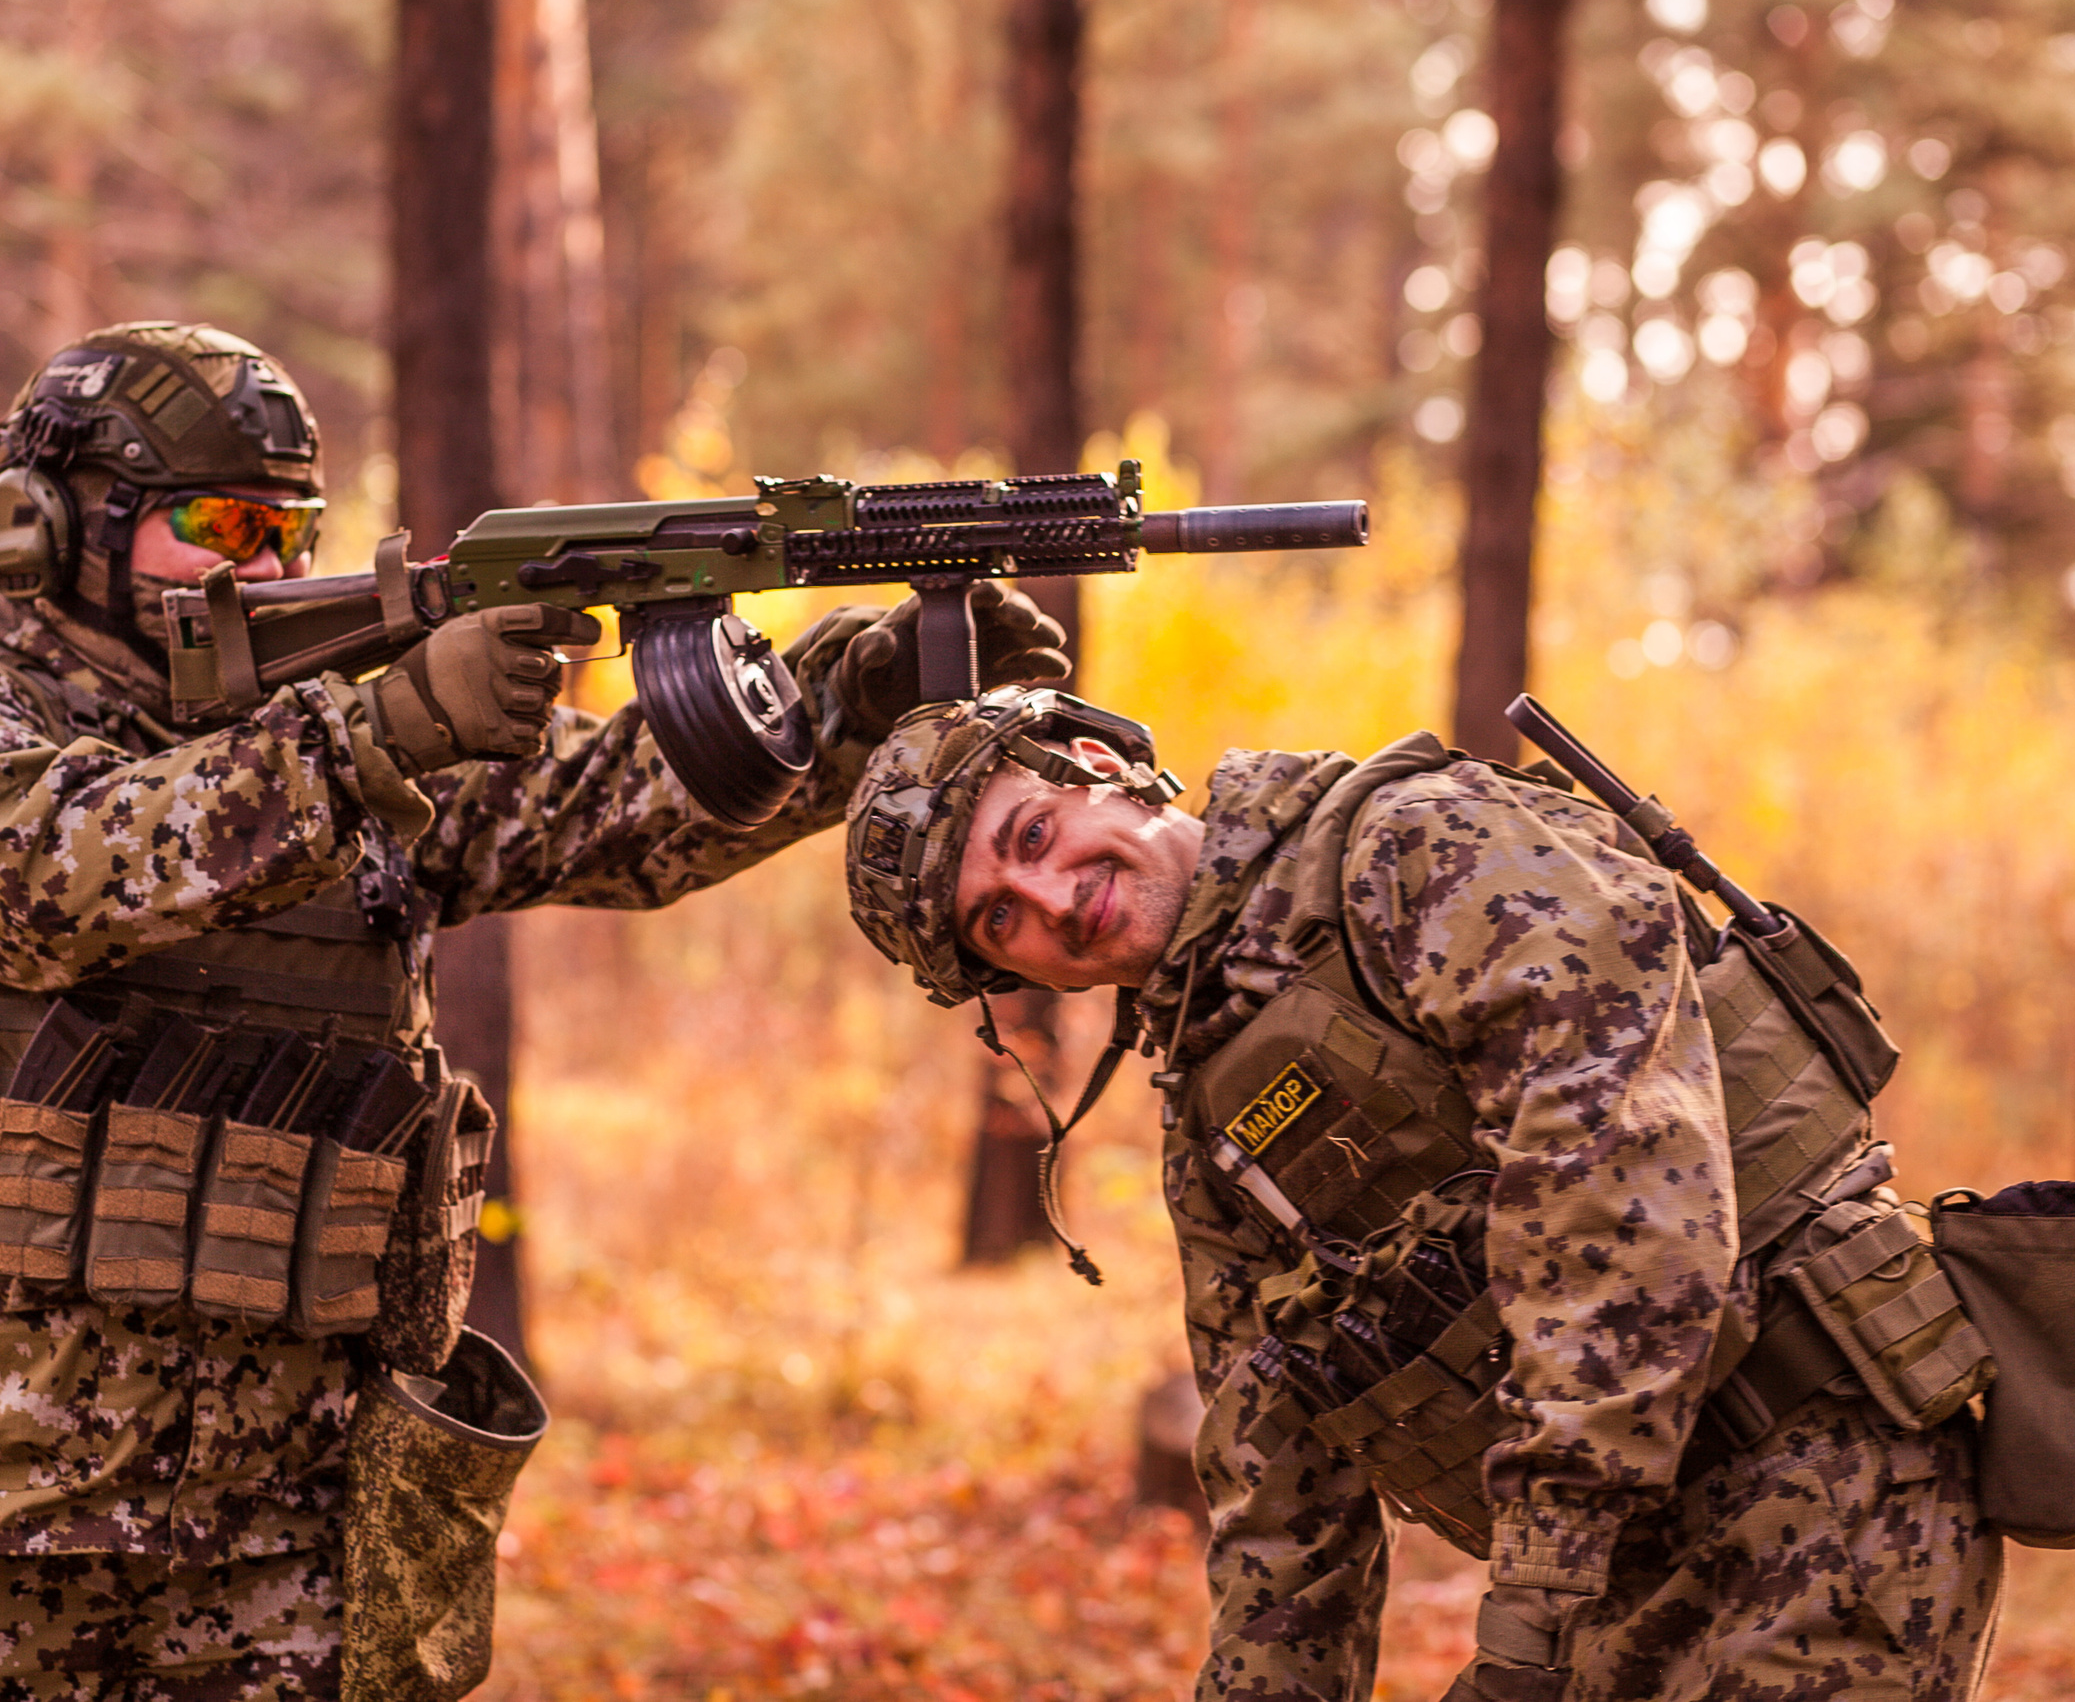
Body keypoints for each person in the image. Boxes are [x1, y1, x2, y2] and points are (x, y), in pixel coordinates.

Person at [0, 320, 1070, 1700]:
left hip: (280, 1530)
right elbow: (69, 867)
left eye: (290, 527)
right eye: (217, 520)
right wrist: (381, 732)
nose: (264, 563)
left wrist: (839, 705)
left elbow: (610, 806)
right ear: (48, 524)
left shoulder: (330, 736)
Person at [843, 686, 2000, 1702]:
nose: (1048, 898)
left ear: (1099, 769)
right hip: (1621, 1575)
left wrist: (1536, 1591)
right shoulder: (1211, 1109)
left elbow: (1614, 1173)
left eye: (1032, 835)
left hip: (1812, 1470)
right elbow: (1276, 1488)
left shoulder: (1408, 849)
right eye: (997, 918)